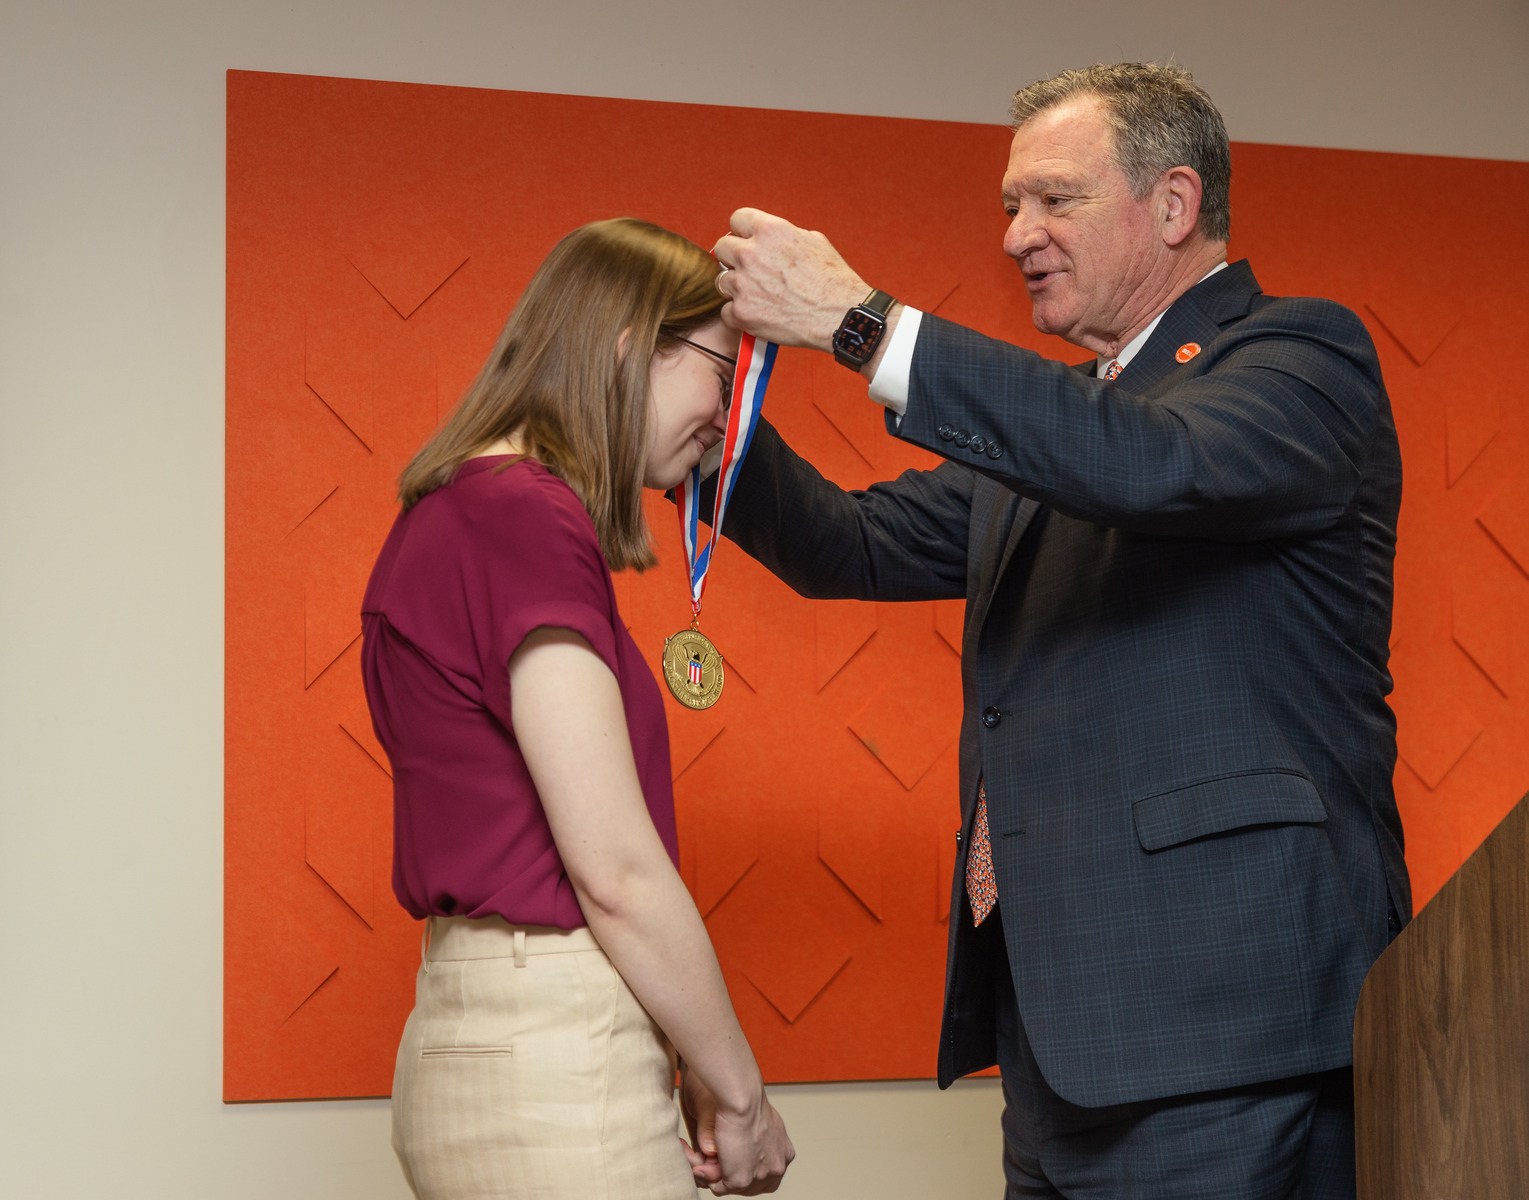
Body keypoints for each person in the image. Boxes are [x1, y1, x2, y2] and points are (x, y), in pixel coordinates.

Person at [709, 63, 1409, 1198]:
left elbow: (1151, 469)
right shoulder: (1063, 430)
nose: (1016, 234)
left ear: (1172, 205)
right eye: (1007, 207)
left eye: (1052, 200)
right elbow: (851, 542)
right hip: (1061, 1056)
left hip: (1227, 1050)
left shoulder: (1298, 359)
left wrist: (858, 324)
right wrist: (699, 423)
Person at [360, 218, 794, 1199]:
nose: (722, 419)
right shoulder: (526, 517)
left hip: (478, 1039)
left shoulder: (451, 514)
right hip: (554, 1052)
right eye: (718, 377)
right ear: (632, 345)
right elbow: (615, 872)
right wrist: (739, 1092)